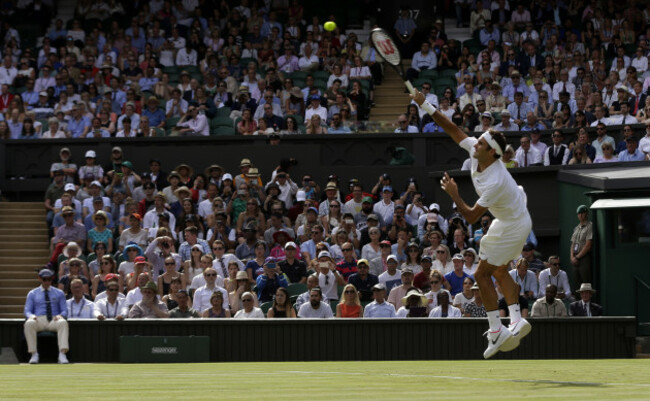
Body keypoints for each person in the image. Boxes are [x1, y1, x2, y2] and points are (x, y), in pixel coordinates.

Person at [413, 88, 532, 358]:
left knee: (480, 274)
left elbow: (471, 217)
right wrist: (426, 105)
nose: (474, 143)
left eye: (480, 143)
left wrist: (454, 194)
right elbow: (453, 128)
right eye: (477, 141)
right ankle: (515, 320)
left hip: (513, 224)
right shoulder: (479, 152)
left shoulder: (495, 181)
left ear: (492, 153)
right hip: (512, 219)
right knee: (500, 272)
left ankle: (496, 331)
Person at [24, 269, 70, 364]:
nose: (47, 282)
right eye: (45, 279)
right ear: (40, 279)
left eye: (49, 279)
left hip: (54, 319)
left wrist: (61, 315)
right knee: (29, 323)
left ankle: (62, 354)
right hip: (39, 320)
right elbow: (27, 310)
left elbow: (65, 310)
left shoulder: (59, 293)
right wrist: (31, 316)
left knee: (63, 323)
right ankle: (34, 354)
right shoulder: (32, 293)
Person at [570, 205, 593, 286]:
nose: (580, 215)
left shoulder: (589, 226)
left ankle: (588, 298)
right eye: (579, 213)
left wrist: (577, 257)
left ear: (586, 214)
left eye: (582, 213)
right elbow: (573, 244)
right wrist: (572, 257)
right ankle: (578, 298)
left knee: (585, 281)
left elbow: (588, 245)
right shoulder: (576, 228)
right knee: (576, 280)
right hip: (575, 257)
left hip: (584, 257)